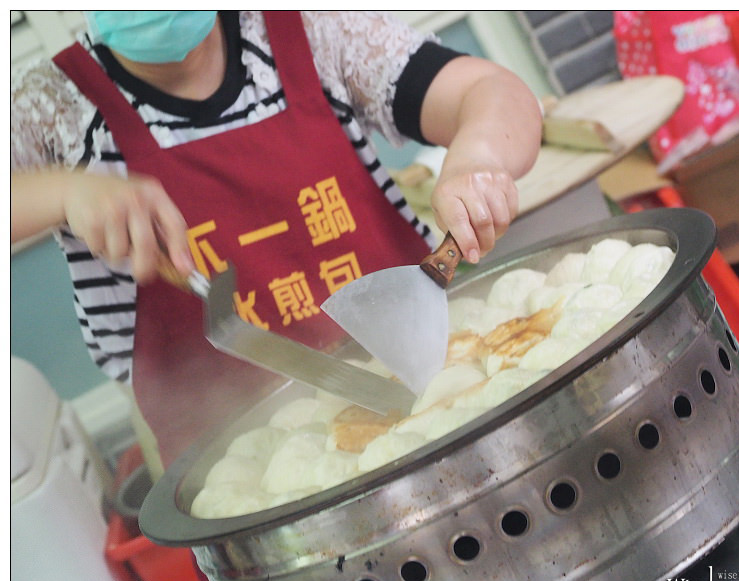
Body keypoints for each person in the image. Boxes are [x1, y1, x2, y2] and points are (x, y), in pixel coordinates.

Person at [11, 11, 543, 467]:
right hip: (254, 494)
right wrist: (61, 191)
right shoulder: (53, 109)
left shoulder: (312, 32)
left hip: (451, 413)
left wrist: (479, 159)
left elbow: (490, 91)